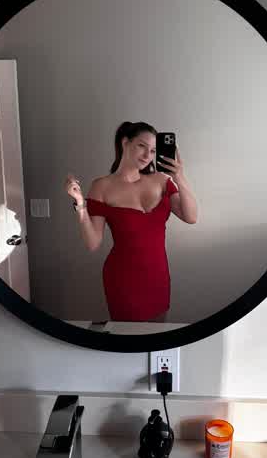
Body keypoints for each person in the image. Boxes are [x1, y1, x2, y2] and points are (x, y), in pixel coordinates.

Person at [65, 121, 198, 323]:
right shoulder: (102, 186)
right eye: (142, 146)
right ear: (125, 142)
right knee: (128, 335)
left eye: (153, 151)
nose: (147, 155)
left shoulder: (162, 180)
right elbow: (93, 243)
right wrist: (80, 205)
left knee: (157, 334)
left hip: (158, 276)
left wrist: (179, 177)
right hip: (123, 278)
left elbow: (191, 217)